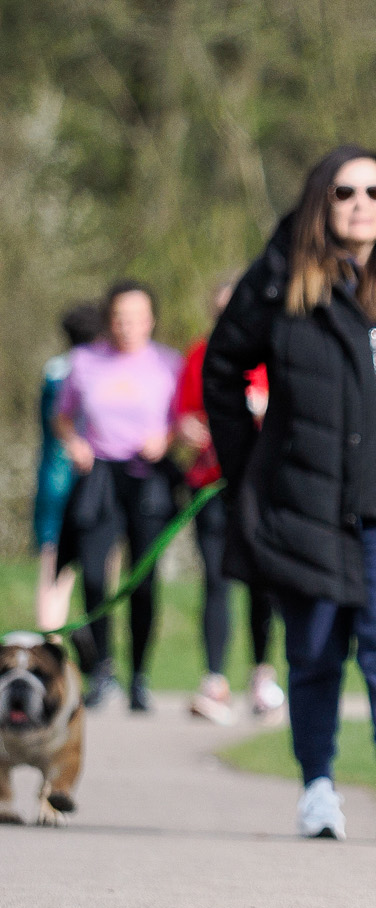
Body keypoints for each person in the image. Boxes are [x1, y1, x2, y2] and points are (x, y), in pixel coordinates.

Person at [203, 146, 376, 841]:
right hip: (305, 503)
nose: (361, 204)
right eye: (345, 191)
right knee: (314, 651)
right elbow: (221, 368)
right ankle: (317, 787)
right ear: (322, 200)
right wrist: (249, 466)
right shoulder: (282, 277)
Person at [54, 281, 183, 712]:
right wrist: (73, 442)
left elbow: (183, 420)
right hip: (100, 476)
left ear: (150, 321)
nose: (128, 327)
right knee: (93, 574)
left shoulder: (168, 365)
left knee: (142, 580)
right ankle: (101, 671)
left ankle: (140, 676)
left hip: (147, 477)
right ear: (109, 320)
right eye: (120, 319)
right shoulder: (85, 362)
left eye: (136, 318)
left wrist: (166, 439)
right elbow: (63, 417)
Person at [173, 279, 284, 726]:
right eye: (221, 309)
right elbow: (182, 414)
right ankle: (215, 681)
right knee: (217, 579)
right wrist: (188, 429)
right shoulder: (199, 356)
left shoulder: (276, 351)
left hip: (262, 487)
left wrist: (265, 408)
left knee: (263, 582)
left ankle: (262, 676)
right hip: (212, 485)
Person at [33, 302, 103, 633]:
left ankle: (52, 638)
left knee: (52, 566)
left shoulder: (52, 370)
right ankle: (94, 635)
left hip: (51, 476)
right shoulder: (93, 370)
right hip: (86, 479)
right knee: (98, 564)